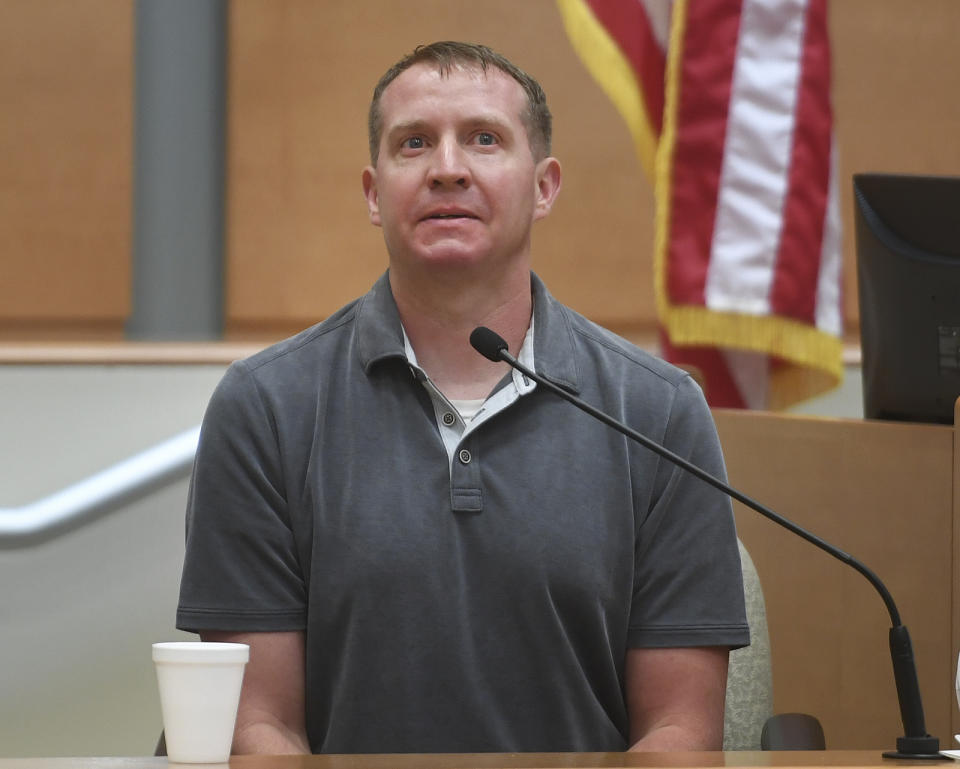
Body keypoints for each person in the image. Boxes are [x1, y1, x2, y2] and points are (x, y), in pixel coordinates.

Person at [176, 41, 749, 755]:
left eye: (484, 139)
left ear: (544, 187)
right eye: (414, 143)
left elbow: (676, 736)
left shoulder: (659, 411)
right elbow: (262, 730)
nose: (448, 168)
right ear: (373, 192)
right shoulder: (263, 409)